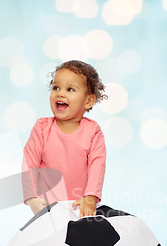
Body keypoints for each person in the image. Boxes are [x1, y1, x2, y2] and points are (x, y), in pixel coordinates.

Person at [22, 60, 108, 218]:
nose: (60, 93)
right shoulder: (42, 128)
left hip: (81, 208)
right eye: (56, 87)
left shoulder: (92, 131)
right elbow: (29, 163)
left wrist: (91, 197)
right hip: (47, 209)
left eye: (70, 89)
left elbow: (97, 165)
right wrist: (32, 198)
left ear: (88, 101)